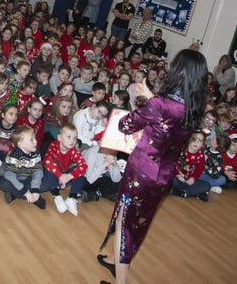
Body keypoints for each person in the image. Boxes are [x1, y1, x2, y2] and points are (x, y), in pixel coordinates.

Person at [98, 49, 207, 284]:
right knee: (138, 223)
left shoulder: (161, 103)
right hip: (163, 175)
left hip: (142, 171)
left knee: (124, 221)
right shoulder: (193, 108)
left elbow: (127, 124)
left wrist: (147, 101)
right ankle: (116, 260)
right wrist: (150, 98)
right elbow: (165, 119)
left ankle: (121, 280)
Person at [42, 123, 87, 216]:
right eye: (69, 137)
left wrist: (69, 176)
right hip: (51, 173)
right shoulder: (54, 145)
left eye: (74, 138)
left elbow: (84, 165)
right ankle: (56, 195)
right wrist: (60, 175)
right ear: (59, 138)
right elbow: (47, 161)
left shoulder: (73, 150)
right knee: (49, 166)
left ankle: (72, 198)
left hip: (64, 174)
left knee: (79, 169)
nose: (72, 141)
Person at [0, 125, 46, 208]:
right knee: (4, 184)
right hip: (9, 178)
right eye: (31, 140)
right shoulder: (14, 155)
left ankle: (14, 195)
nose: (36, 142)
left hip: (26, 177)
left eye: (35, 138)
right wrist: (25, 192)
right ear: (20, 144)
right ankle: (33, 198)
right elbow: (9, 176)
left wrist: (35, 189)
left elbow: (38, 171)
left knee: (45, 180)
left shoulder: (35, 152)